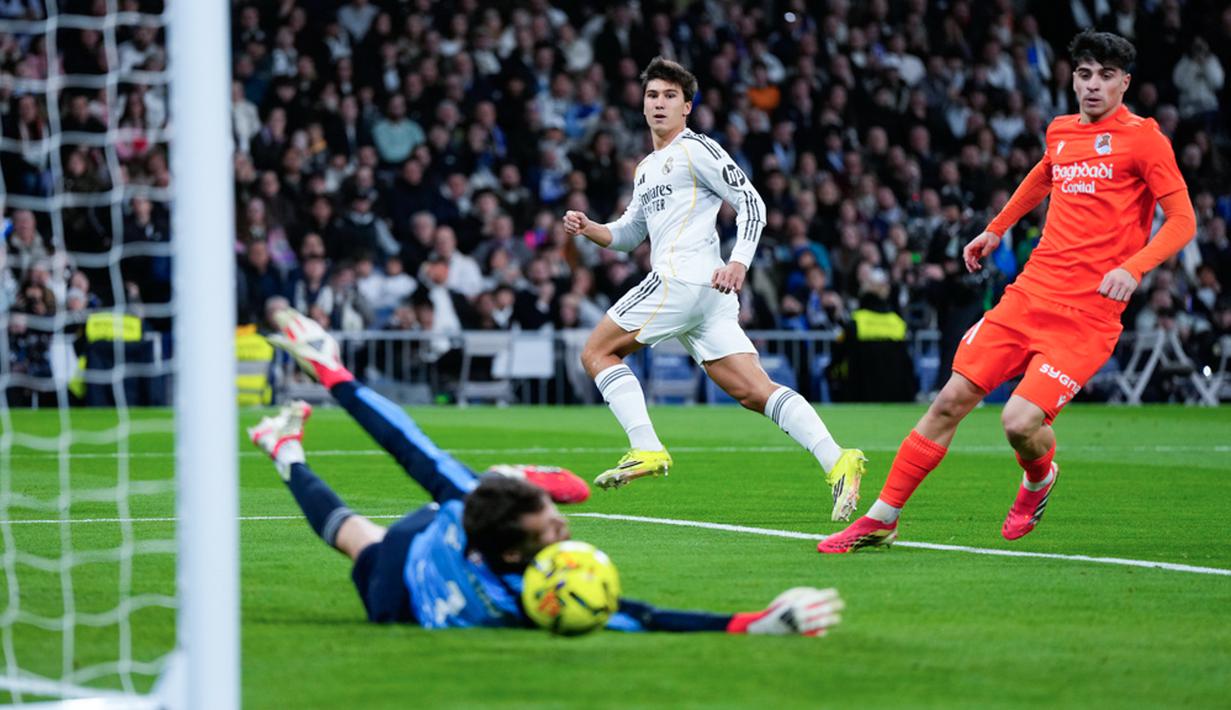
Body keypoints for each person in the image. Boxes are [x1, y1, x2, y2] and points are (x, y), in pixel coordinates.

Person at [820, 30, 1196, 553]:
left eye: (1106, 76)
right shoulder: (1061, 131)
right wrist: (996, 228)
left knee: (1019, 423)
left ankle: (1039, 478)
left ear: (1124, 83)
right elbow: (1043, 175)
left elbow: (1182, 220)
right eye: (1084, 73)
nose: (1092, 85)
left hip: (1088, 315)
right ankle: (883, 517)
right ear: (1072, 78)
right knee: (950, 399)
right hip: (1029, 295)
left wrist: (1134, 269)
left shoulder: (1145, 139)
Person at [256, 307, 845, 634]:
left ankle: (284, 450)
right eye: (552, 526)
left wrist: (333, 372)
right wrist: (749, 623)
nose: (563, 528)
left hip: (410, 566)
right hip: (403, 600)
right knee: (356, 538)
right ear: (519, 554)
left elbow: (403, 442)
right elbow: (644, 617)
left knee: (358, 537)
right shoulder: (535, 595)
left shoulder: (471, 503)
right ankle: (284, 451)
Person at [562, 57, 865, 521]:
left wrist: (740, 260)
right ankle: (837, 459)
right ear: (642, 107)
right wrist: (590, 228)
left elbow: (751, 203)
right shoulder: (646, 168)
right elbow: (627, 236)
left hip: (682, 280)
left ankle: (646, 447)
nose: (659, 103)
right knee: (753, 391)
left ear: (687, 106)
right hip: (706, 297)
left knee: (597, 353)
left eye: (669, 96)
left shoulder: (696, 149)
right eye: (652, 95)